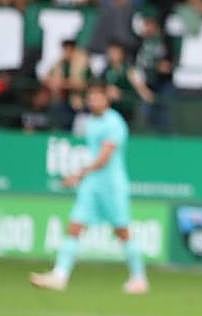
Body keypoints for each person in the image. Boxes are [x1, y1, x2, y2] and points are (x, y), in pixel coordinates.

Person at [30, 80, 148, 294]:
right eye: (90, 98)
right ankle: (60, 275)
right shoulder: (91, 121)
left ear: (106, 99)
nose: (93, 101)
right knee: (74, 226)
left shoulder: (114, 123)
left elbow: (104, 158)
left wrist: (78, 175)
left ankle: (139, 278)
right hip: (92, 184)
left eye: (97, 97)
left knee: (122, 231)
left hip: (111, 185)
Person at [134, 16, 174, 134]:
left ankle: (165, 137)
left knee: (164, 111)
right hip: (145, 83)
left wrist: (163, 66)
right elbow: (134, 64)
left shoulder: (165, 41)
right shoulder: (138, 41)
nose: (148, 28)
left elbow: (169, 64)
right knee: (145, 112)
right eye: (146, 24)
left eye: (151, 24)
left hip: (162, 82)